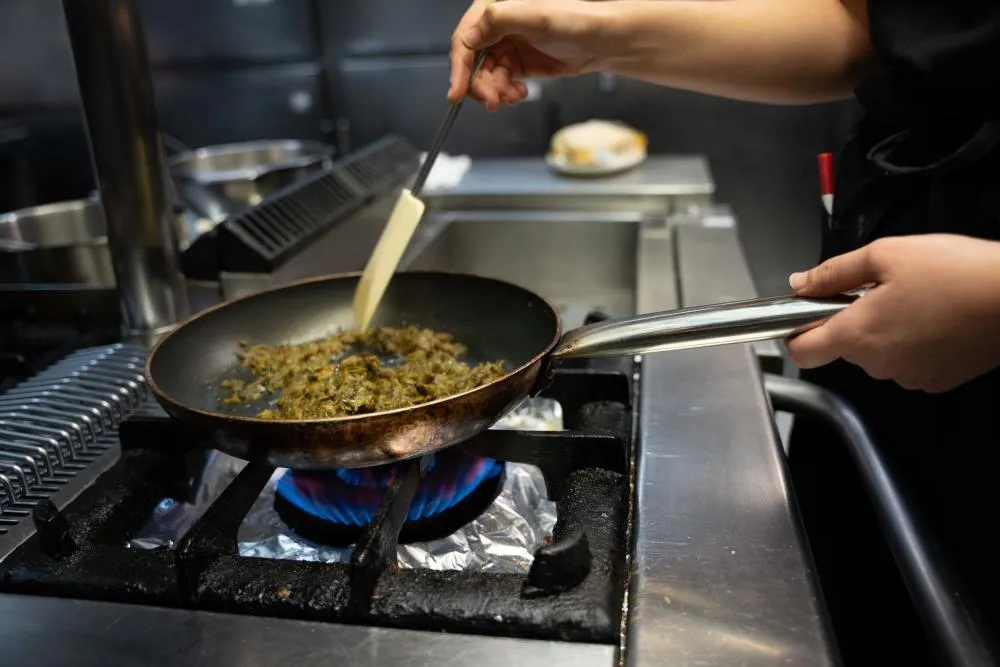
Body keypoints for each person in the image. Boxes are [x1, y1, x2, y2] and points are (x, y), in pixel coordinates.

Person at [448, 1, 1000, 663]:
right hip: (901, 321)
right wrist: (599, 39)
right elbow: (875, 34)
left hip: (983, 391)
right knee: (865, 607)